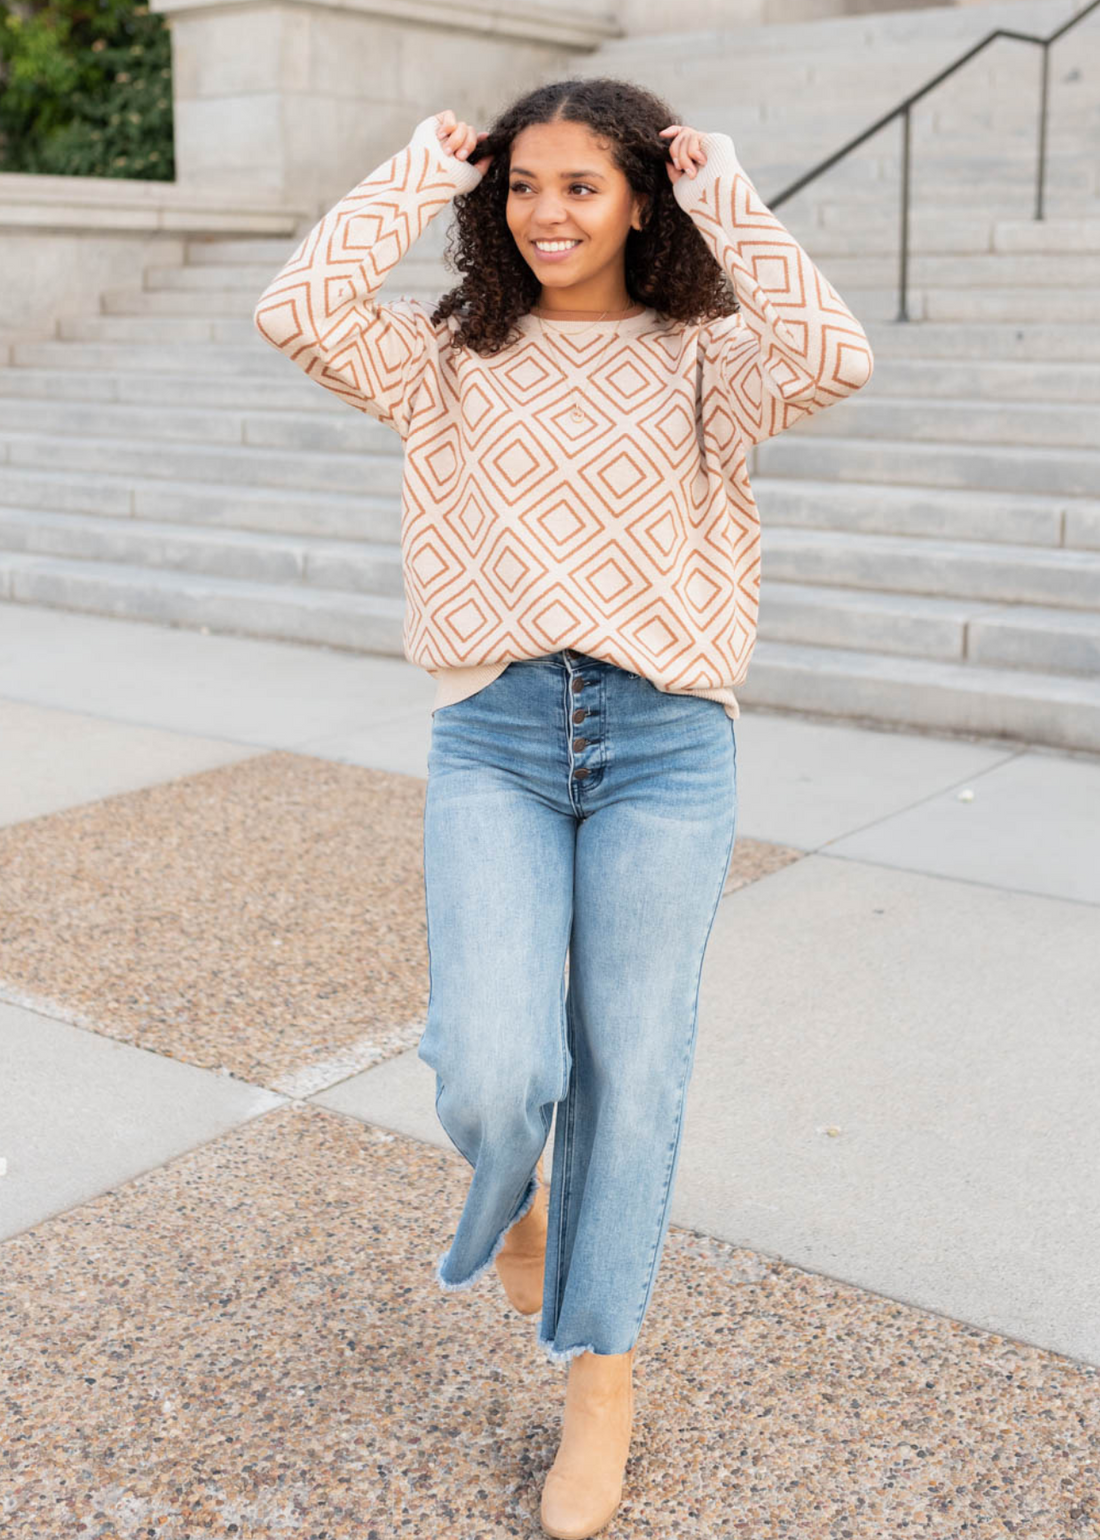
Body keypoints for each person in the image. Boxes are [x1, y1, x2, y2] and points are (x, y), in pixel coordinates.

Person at [254, 74, 873, 1540]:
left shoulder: (712, 360)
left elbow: (838, 355)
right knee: (487, 1063)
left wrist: (727, 189)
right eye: (522, 187)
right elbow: (294, 309)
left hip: (666, 745)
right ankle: (514, 1198)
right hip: (501, 735)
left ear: (639, 199)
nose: (546, 214)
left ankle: (601, 1378)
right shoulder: (447, 360)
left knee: (633, 1070)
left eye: (581, 187)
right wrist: (417, 171)